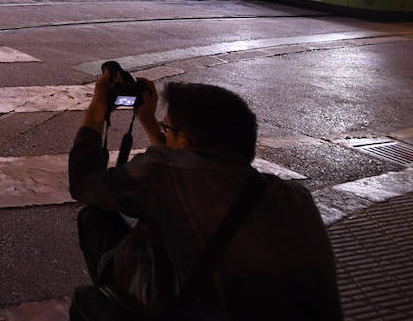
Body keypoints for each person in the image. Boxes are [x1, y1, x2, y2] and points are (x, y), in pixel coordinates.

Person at [69, 75, 341, 320]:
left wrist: (96, 113)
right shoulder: (296, 197)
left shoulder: (167, 173)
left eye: (168, 129)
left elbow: (84, 184)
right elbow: (186, 162)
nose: (164, 134)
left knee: (96, 217)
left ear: (184, 141)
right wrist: (151, 123)